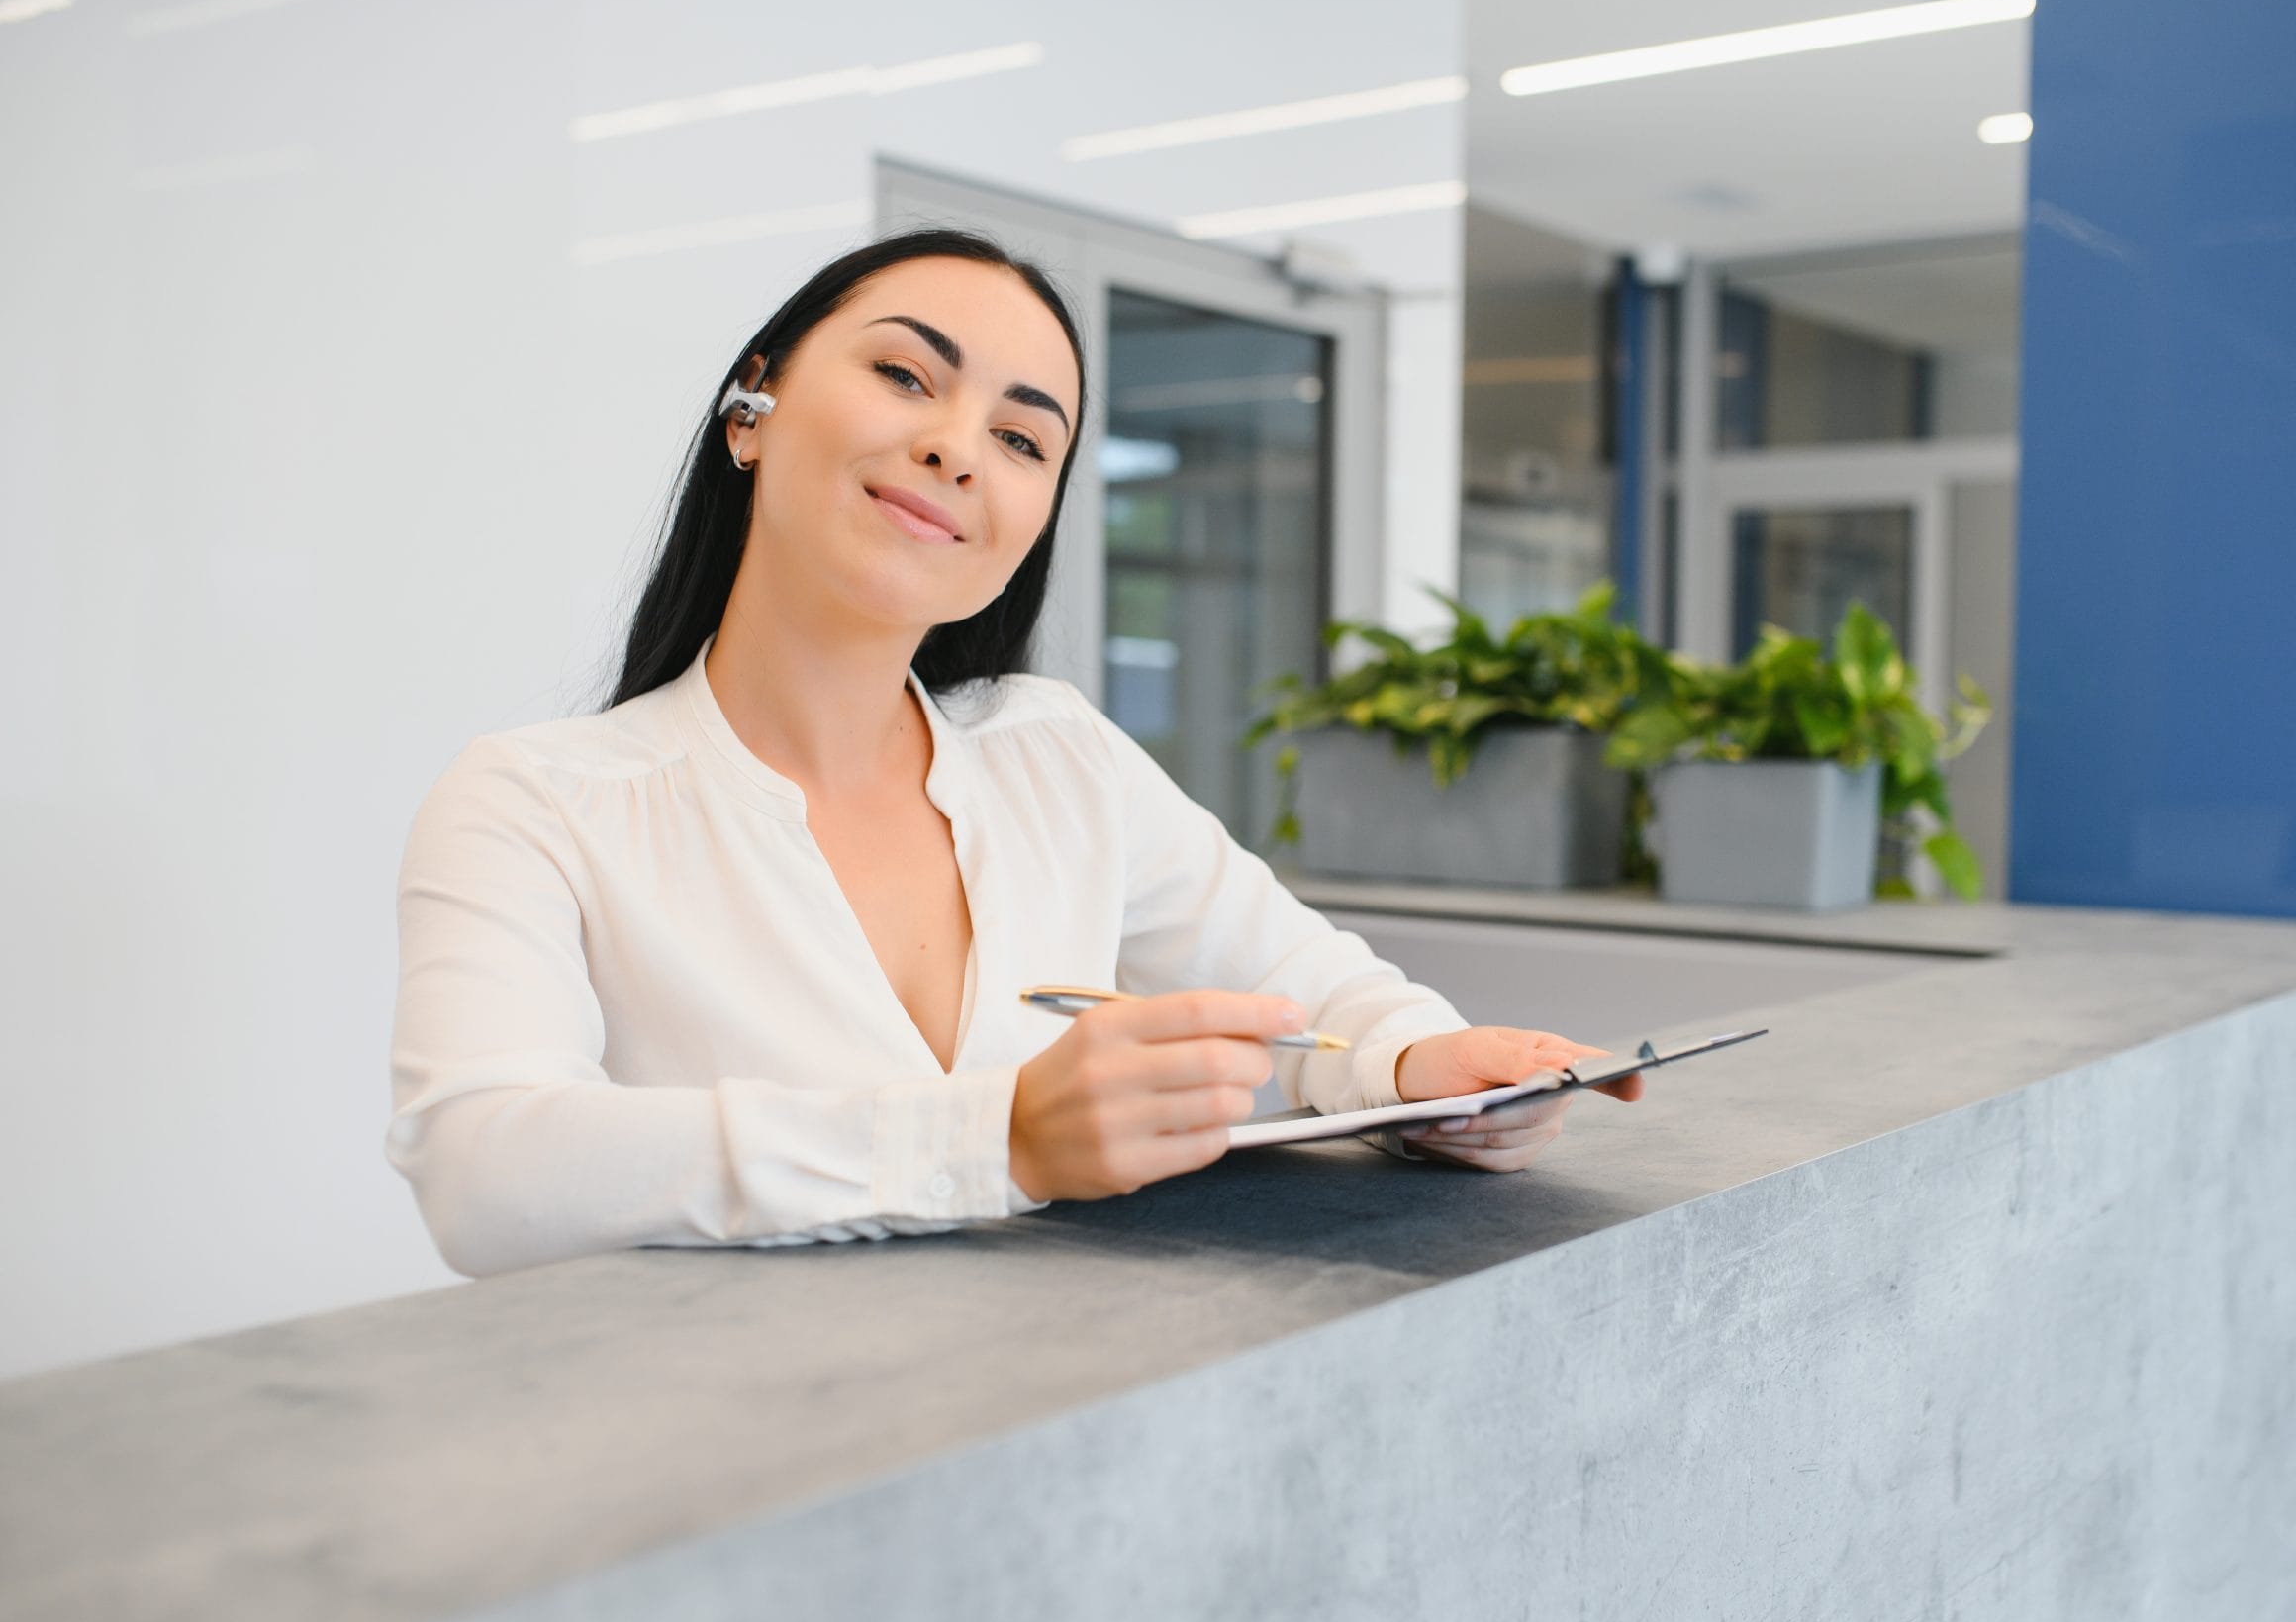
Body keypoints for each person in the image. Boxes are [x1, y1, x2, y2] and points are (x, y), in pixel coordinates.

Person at [387, 227, 1640, 1280]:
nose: (958, 448)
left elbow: (1317, 992)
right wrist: (1002, 1136)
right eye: (904, 375)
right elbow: (486, 1169)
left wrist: (1424, 1072)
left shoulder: (1055, 757)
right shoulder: (535, 800)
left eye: (1024, 438)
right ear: (751, 409)